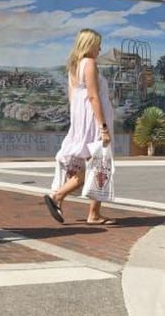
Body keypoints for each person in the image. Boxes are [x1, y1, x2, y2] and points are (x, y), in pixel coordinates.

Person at [44, 29, 115, 225]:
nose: (100, 48)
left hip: (81, 120)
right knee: (98, 165)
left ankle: (90, 211)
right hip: (93, 120)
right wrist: (103, 127)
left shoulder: (73, 66)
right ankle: (59, 197)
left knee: (95, 165)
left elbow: (72, 97)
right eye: (97, 44)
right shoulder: (89, 63)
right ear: (89, 44)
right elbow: (93, 96)